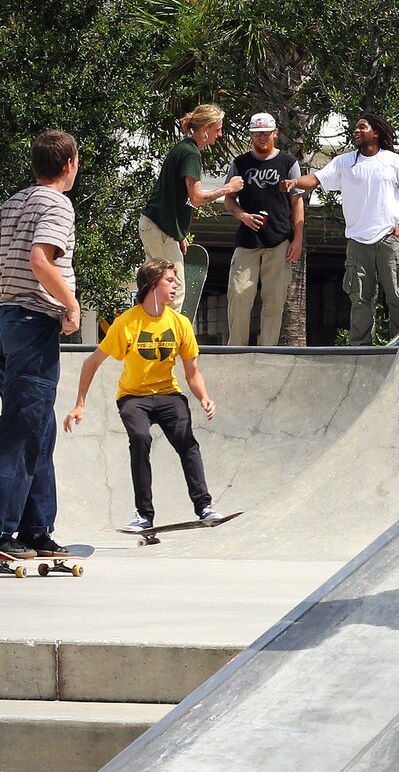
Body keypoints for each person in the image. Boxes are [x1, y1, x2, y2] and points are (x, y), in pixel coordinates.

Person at [63, 258, 222, 533]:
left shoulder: (180, 323)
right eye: (169, 281)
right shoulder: (126, 323)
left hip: (168, 393)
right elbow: (91, 363)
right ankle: (144, 514)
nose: (176, 285)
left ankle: (203, 506)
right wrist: (79, 404)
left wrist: (204, 397)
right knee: (140, 438)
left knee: (186, 441)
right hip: (133, 397)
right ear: (152, 284)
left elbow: (192, 372)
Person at [0, 130, 80, 561]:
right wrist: (71, 304)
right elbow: (40, 259)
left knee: (40, 428)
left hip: (8, 320)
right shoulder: (56, 203)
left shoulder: (13, 202)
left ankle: (36, 527)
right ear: (69, 163)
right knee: (21, 427)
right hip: (33, 320)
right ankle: (2, 530)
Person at [286, 115, 399, 345]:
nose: (356, 131)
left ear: (375, 133)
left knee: (396, 296)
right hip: (357, 242)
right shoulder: (344, 162)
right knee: (360, 299)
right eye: (355, 127)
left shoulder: (394, 161)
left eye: (362, 127)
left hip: (388, 239)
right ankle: (360, 348)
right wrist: (294, 182)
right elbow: (316, 179)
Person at [139, 104, 244, 312]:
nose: (220, 135)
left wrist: (179, 234)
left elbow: (173, 197)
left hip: (157, 226)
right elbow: (195, 198)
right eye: (218, 129)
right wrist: (228, 188)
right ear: (205, 129)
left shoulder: (183, 148)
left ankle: (152, 332)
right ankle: (171, 340)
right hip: (160, 229)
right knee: (173, 288)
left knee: (155, 286)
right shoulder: (191, 154)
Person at [224, 111, 303, 347]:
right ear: (251, 135)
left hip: (279, 239)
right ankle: (235, 349)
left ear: (275, 133)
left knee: (275, 300)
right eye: (257, 134)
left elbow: (297, 200)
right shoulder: (239, 163)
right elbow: (229, 199)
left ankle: (266, 349)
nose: (262, 138)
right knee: (238, 295)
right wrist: (243, 215)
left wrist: (297, 239)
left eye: (266, 133)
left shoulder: (288, 163)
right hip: (247, 240)